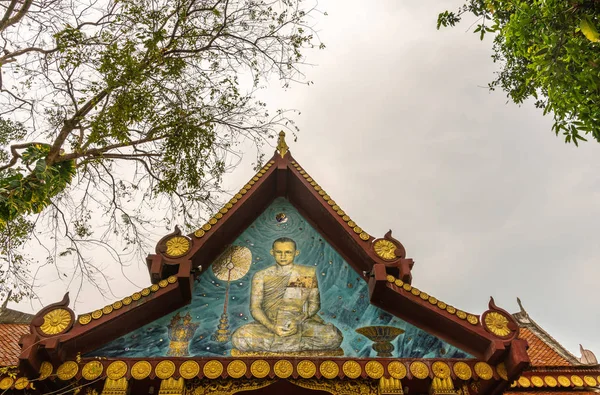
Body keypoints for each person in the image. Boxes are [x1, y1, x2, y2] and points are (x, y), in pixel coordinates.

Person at [231, 237, 343, 353]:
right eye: (279, 252)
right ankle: (295, 345)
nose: (283, 256)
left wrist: (298, 320)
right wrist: (272, 327)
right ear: (272, 252)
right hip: (269, 324)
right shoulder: (261, 276)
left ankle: (285, 345)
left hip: (299, 323)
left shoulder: (306, 273)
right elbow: (255, 308)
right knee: (239, 337)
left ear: (296, 253)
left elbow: (314, 304)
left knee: (333, 336)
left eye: (288, 252)